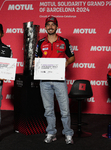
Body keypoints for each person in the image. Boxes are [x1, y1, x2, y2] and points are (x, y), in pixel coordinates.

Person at [35, 16, 75, 144]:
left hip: (59, 81)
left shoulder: (64, 41)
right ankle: (51, 133)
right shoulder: (40, 42)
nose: (50, 27)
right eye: (48, 25)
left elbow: (72, 57)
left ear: (57, 27)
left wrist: (67, 62)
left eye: (53, 25)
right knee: (48, 110)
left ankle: (68, 134)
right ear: (45, 27)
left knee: (65, 110)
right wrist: (35, 64)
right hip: (45, 81)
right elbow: (36, 59)